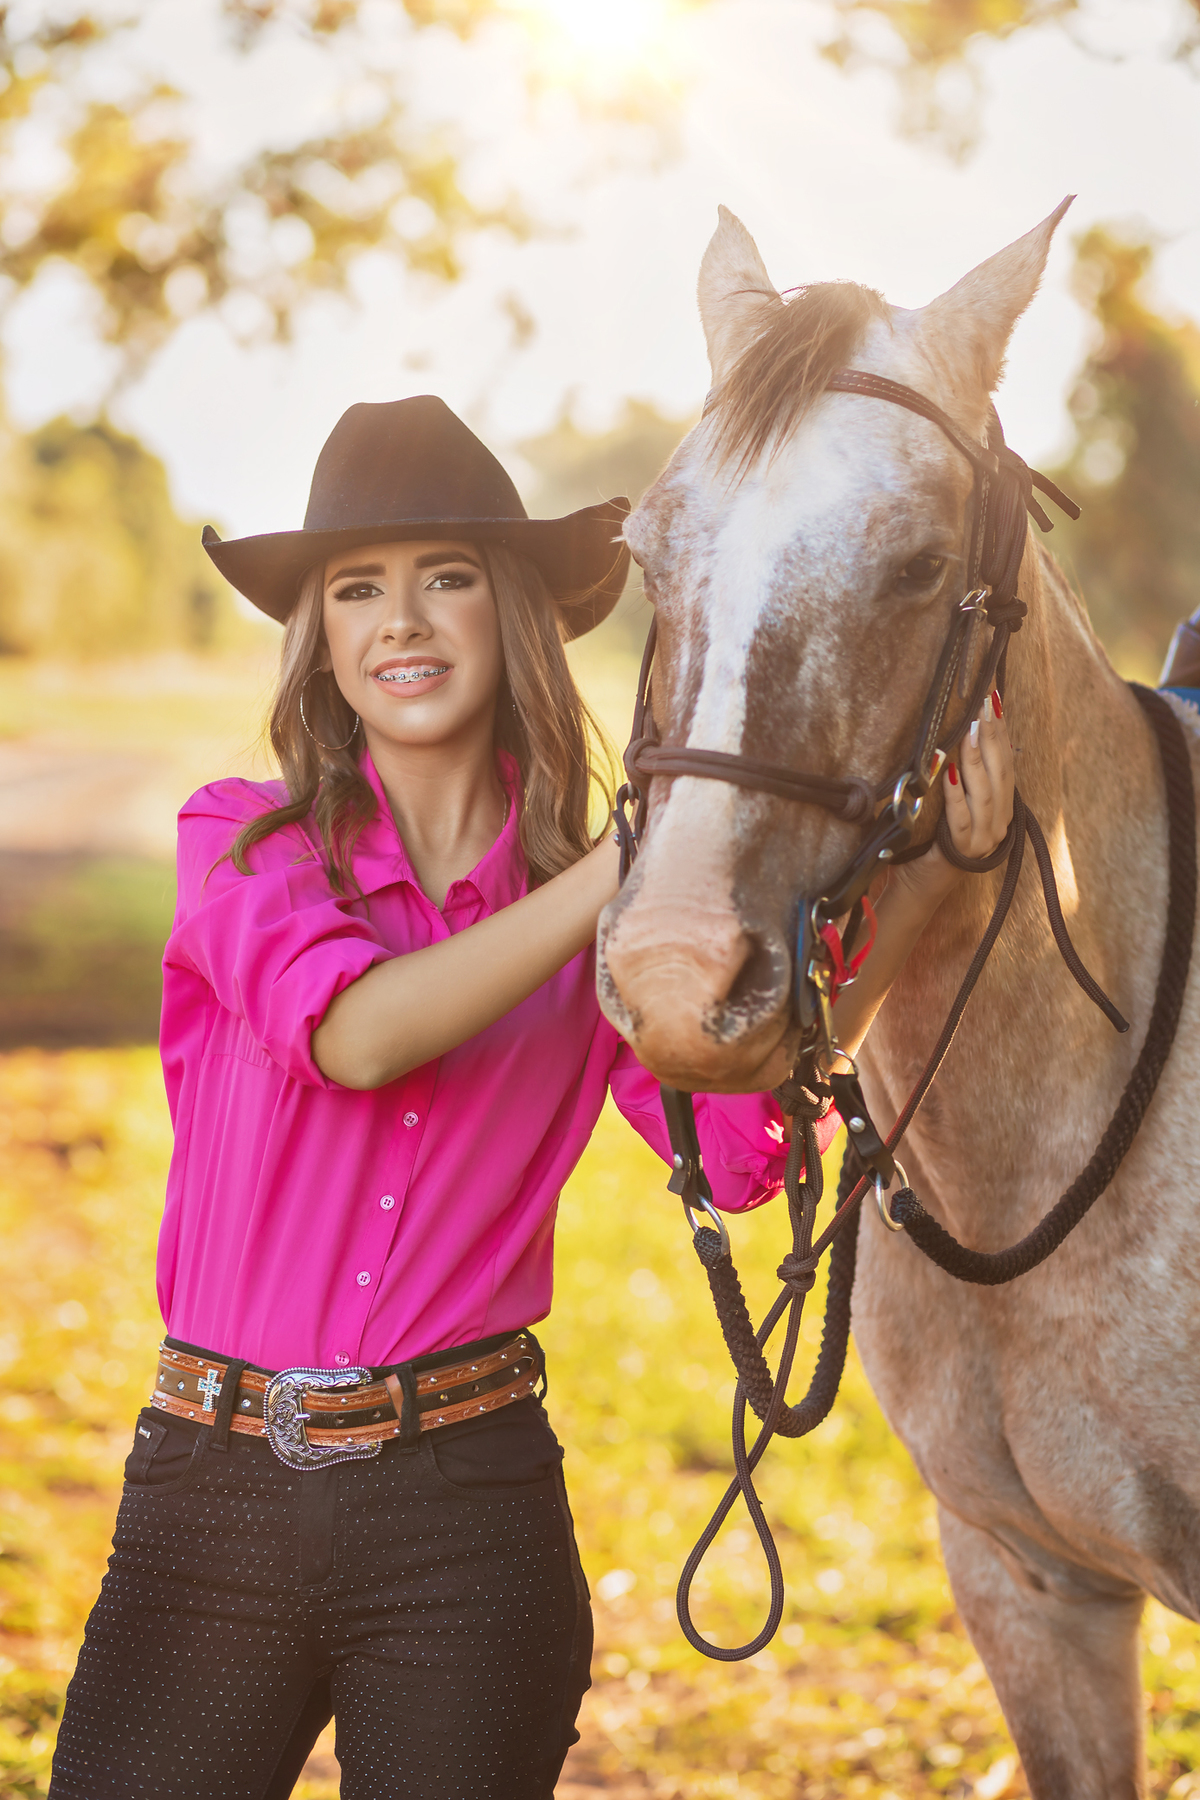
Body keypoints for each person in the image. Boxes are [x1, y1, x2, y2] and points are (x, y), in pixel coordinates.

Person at [48, 396, 1014, 1800]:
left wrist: (923, 890)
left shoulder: (599, 919)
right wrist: (624, 868)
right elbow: (359, 1037)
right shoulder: (242, 845)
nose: (401, 621)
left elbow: (741, 1143)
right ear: (320, 637)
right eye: (356, 589)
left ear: (509, 612)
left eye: (444, 577)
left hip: (466, 1518)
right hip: (211, 1504)